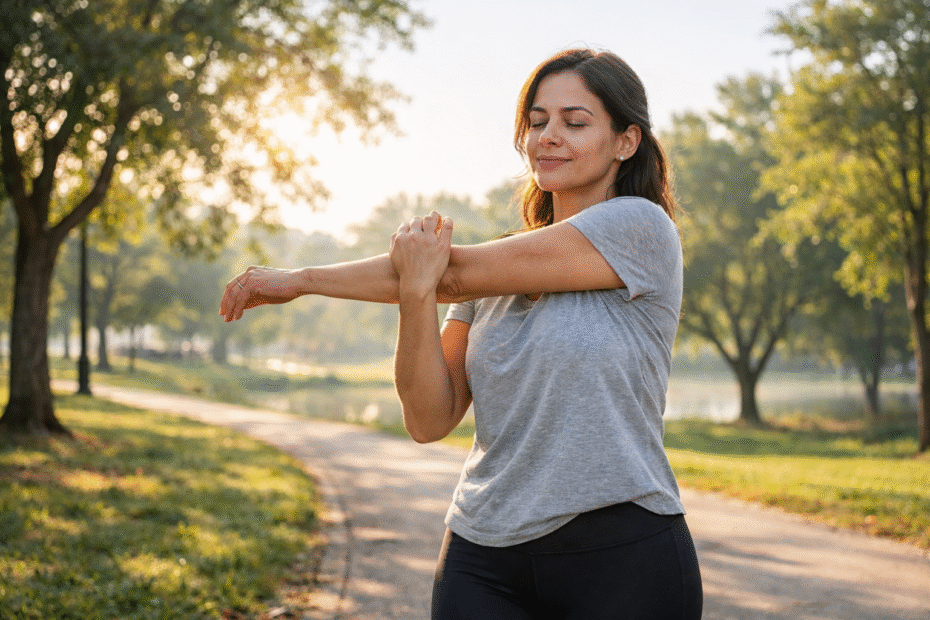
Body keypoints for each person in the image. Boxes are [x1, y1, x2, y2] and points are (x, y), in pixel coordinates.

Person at [220, 48, 702, 619]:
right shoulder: (496, 272)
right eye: (537, 121)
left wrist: (302, 279)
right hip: (482, 552)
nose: (549, 136)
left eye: (575, 123)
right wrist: (416, 294)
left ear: (626, 142)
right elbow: (428, 419)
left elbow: (453, 271)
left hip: (620, 554)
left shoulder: (641, 228)